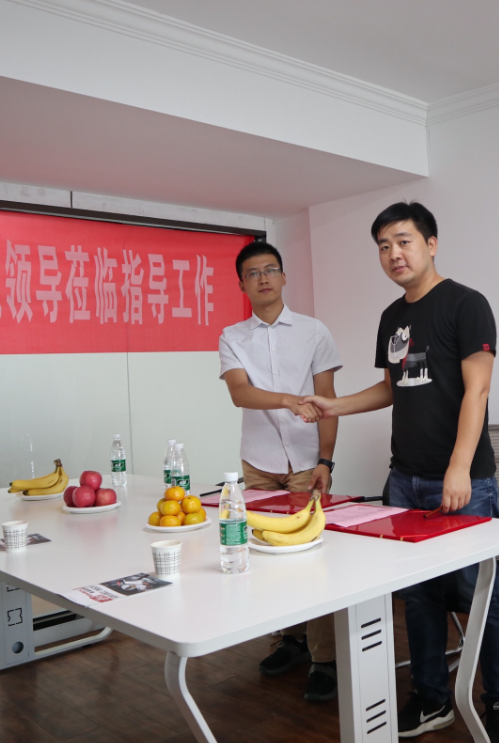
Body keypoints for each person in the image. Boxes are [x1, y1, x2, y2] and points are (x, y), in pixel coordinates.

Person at [299, 202, 499, 742]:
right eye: (383, 246)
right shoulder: (391, 317)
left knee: (478, 593)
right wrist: (334, 406)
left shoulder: (467, 304)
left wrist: (458, 468)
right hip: (404, 479)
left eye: (404, 241)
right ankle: (431, 698)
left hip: (462, 480)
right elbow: (391, 388)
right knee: (418, 594)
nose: (393, 254)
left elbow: (478, 391)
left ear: (431, 244)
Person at [218, 240, 342, 702]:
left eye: (270, 270)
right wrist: (288, 399)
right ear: (242, 284)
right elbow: (240, 394)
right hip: (259, 461)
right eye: (253, 273)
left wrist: (326, 461)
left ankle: (325, 658)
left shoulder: (314, 331)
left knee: (314, 559)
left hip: (307, 462)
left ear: (284, 277)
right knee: (266, 553)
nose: (263, 278)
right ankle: (289, 641)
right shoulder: (232, 336)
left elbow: (328, 402)